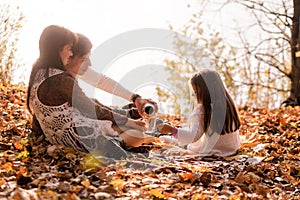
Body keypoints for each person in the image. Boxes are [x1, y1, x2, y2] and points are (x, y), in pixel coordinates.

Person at [26, 25, 152, 159]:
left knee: (110, 114)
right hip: (75, 135)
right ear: (63, 52)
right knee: (135, 134)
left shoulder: (40, 72)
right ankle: (121, 137)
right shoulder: (61, 78)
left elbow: (101, 81)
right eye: (84, 58)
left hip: (65, 132)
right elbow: (89, 108)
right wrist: (127, 122)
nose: (89, 63)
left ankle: (128, 120)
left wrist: (134, 98)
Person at [157, 69, 241, 157]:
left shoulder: (203, 110)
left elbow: (193, 137)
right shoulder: (229, 104)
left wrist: (171, 130)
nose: (194, 96)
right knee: (187, 138)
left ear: (205, 91)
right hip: (231, 150)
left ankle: (172, 139)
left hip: (211, 151)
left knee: (175, 141)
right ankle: (175, 139)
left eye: (196, 92)